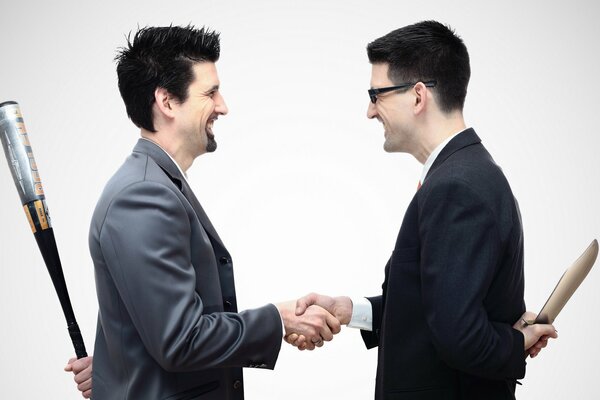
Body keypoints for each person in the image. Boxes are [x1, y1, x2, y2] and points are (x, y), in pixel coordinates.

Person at [64, 25, 340, 399]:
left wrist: (115, 364)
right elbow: (181, 340)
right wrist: (278, 319)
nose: (223, 106)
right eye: (210, 93)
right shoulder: (144, 196)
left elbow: (139, 321)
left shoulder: (158, 184)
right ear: (166, 101)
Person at [291, 20, 558, 400]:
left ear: (418, 97)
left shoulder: (457, 186)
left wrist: (515, 344)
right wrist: (349, 310)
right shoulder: (463, 174)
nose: (369, 111)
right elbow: (431, 310)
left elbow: (458, 336)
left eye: (376, 94)